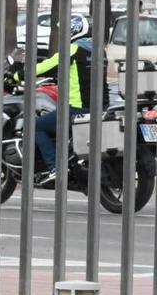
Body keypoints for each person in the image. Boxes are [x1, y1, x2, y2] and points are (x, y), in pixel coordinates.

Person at [33, 15, 105, 184]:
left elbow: (46, 66)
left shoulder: (73, 49)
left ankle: (55, 168)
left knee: (34, 126)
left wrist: (18, 74)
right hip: (100, 107)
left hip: (77, 109)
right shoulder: (98, 49)